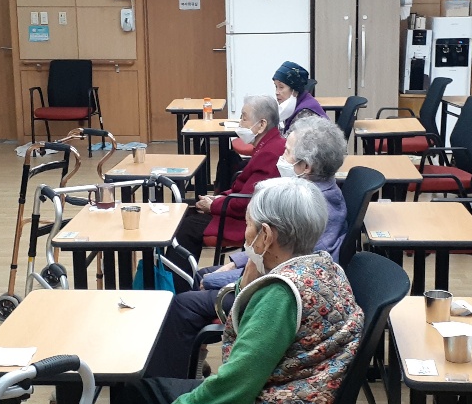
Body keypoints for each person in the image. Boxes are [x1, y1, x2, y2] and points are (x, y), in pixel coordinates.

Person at [82, 177, 364, 404]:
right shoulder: (324, 266)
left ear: (266, 236)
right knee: (138, 393)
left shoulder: (280, 295)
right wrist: (247, 282)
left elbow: (235, 387)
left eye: (248, 225)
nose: (245, 234)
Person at [148, 117, 350, 379]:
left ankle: (168, 379)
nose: (281, 157)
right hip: (280, 276)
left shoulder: (309, 206)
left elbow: (282, 265)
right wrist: (236, 262)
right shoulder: (315, 193)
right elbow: (271, 245)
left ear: (306, 166)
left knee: (186, 303)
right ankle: (191, 362)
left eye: (287, 152)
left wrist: (219, 279)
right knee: (198, 276)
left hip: (281, 291)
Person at [168, 95, 285, 291]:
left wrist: (214, 205)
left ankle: (178, 288)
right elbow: (246, 188)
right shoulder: (268, 144)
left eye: (244, 118)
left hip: (248, 221)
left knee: (186, 228)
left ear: (261, 124)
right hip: (240, 208)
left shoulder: (270, 152)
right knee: (186, 214)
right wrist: (220, 197)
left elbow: (246, 201)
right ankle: (177, 282)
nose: (240, 123)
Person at [274, 60, 325, 132]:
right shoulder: (294, 105)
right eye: (276, 86)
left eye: (281, 87)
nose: (277, 92)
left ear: (294, 89)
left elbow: (292, 138)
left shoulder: (305, 113)